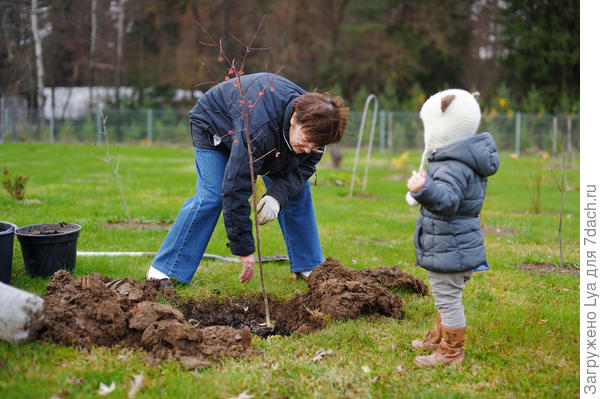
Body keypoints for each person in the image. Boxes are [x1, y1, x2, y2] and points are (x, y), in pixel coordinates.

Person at [146, 72, 349, 287]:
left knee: (297, 192)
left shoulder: (320, 131)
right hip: (214, 125)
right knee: (212, 196)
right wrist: (244, 249)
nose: (308, 149)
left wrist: (276, 197)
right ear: (294, 119)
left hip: (271, 138)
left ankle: (308, 267)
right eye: (307, 141)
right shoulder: (258, 127)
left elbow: (301, 170)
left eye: (315, 146)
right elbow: (236, 186)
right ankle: (162, 270)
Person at [406, 88, 500, 366]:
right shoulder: (459, 160)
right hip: (453, 244)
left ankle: (451, 352)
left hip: (451, 246)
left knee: (448, 300)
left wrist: (424, 189)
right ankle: (439, 337)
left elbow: (447, 202)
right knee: (443, 294)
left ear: (441, 128)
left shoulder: (452, 166)